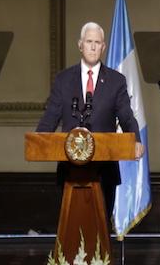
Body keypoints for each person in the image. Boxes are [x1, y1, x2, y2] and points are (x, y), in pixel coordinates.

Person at [37, 21, 144, 219]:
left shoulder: (116, 81)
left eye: (97, 42)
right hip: (70, 170)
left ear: (103, 47)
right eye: (89, 42)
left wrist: (136, 139)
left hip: (104, 172)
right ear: (80, 45)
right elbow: (50, 117)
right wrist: (38, 141)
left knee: (101, 229)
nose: (93, 47)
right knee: (71, 227)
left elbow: (127, 117)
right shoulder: (63, 80)